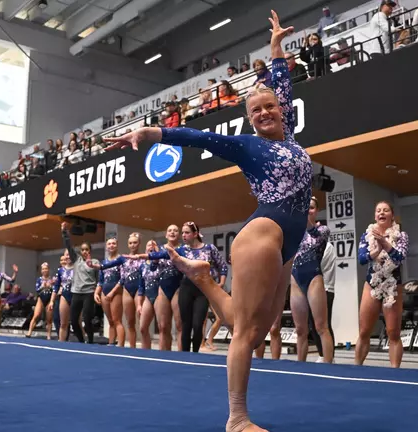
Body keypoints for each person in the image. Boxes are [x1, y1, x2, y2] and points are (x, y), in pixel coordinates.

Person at [103, 11, 312, 430]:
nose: (266, 112)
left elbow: (282, 84)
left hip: (291, 242)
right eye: (257, 110)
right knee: (245, 334)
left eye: (270, 106)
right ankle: (237, 418)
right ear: (250, 118)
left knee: (257, 325)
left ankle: (203, 277)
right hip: (264, 235)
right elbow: (200, 137)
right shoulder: (247, 146)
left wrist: (275, 49)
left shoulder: (288, 137)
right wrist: (153, 134)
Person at [144, 222, 228, 353]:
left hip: (203, 289)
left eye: (186, 232)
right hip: (186, 287)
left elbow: (222, 265)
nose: (184, 235)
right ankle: (185, 354)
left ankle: (195, 353)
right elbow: (163, 256)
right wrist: (144, 255)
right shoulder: (183, 249)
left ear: (195, 234)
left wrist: (221, 283)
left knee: (197, 324)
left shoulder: (209, 248)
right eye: (182, 233)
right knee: (185, 325)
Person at [355, 201, 409, 367]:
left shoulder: (401, 235)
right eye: (378, 211)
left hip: (393, 286)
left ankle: (395, 372)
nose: (381, 213)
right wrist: (377, 250)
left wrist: (386, 244)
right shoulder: (367, 235)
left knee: (393, 332)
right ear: (375, 216)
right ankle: (356, 368)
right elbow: (362, 259)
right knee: (364, 331)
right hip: (372, 284)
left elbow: (400, 257)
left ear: (392, 215)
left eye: (385, 210)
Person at [290, 198, 334, 363]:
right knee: (300, 330)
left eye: (311, 208)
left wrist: (303, 218)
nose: (308, 210)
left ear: (316, 211)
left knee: (321, 327)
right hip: (295, 278)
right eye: (305, 208)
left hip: (314, 277)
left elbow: (313, 233)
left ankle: (329, 367)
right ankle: (300, 367)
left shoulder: (323, 230)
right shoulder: (295, 233)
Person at [61, 222, 100, 344]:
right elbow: (69, 246)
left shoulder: (95, 262)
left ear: (90, 251)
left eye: (86, 250)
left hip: (89, 293)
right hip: (76, 293)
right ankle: (82, 341)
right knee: (73, 321)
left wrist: (96, 292)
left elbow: (99, 278)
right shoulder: (76, 259)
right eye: (82, 250)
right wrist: (64, 232)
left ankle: (91, 340)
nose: (84, 252)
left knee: (87, 319)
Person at [152, 225, 185, 351]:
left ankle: (182, 356)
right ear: (166, 235)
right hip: (163, 288)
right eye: (169, 230)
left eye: (175, 230)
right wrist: (154, 259)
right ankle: (164, 355)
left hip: (179, 287)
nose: (172, 232)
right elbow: (152, 269)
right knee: (163, 326)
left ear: (179, 234)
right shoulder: (160, 250)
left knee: (179, 325)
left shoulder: (183, 249)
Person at [112, 233, 145, 348]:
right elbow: (122, 278)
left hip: (139, 289)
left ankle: (145, 348)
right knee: (130, 322)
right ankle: (132, 348)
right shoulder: (124, 259)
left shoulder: (143, 258)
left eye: (135, 242)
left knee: (142, 323)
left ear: (139, 243)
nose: (132, 245)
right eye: (130, 243)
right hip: (127, 289)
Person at [94, 238, 127, 346]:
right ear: (106, 247)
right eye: (109, 244)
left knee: (117, 320)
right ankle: (111, 343)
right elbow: (101, 280)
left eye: (113, 243)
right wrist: (96, 293)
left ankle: (121, 345)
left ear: (117, 245)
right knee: (110, 321)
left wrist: (112, 292)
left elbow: (123, 279)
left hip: (116, 291)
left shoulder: (121, 260)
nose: (111, 245)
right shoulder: (104, 262)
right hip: (104, 292)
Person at [312, 241, 337, 362]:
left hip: (326, 288)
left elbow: (316, 267)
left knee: (324, 325)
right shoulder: (307, 247)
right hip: (312, 289)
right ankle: (322, 353)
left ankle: (329, 356)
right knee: (313, 324)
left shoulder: (327, 247)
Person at [138, 240, 161, 349]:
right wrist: (139, 304)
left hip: (160, 296)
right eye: (149, 245)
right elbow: (141, 286)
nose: (151, 247)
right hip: (148, 296)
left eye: (154, 245)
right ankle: (146, 352)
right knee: (143, 328)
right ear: (145, 249)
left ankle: (164, 353)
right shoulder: (142, 266)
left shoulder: (162, 262)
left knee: (163, 328)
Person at [26, 263, 56, 340]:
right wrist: (42, 286)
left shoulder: (52, 279)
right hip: (41, 299)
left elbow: (55, 290)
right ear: (41, 270)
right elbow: (37, 290)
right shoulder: (39, 279)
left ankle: (48, 335)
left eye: (46, 268)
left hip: (49, 299)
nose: (44, 270)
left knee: (49, 319)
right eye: (43, 269)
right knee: (36, 315)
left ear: (48, 269)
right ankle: (29, 332)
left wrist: (50, 285)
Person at [54, 252, 75, 342]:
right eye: (66, 254)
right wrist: (51, 301)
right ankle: (61, 343)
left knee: (76, 323)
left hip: (76, 295)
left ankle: (84, 344)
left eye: (70, 254)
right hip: (65, 295)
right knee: (63, 323)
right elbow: (56, 286)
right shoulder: (60, 271)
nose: (68, 256)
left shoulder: (77, 268)